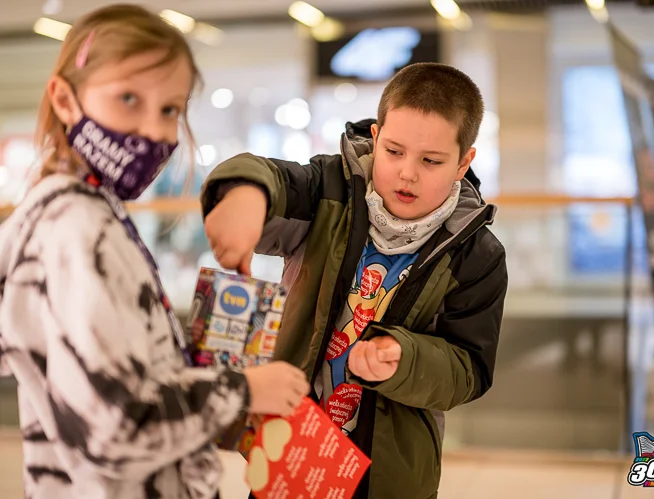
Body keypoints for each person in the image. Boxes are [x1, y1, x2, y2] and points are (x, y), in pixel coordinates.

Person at [0, 5, 308, 498]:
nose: (154, 131)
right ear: (64, 99)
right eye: (127, 98)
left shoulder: (77, 211)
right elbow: (114, 429)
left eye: (170, 109)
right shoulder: (77, 230)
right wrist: (244, 390)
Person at [201, 63, 508, 499]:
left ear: (464, 162)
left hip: (389, 472)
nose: (407, 173)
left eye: (431, 161)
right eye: (394, 151)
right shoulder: (330, 191)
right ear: (377, 136)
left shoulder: (478, 256)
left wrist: (404, 356)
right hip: (290, 447)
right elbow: (266, 175)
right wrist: (245, 195)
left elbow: (469, 369)